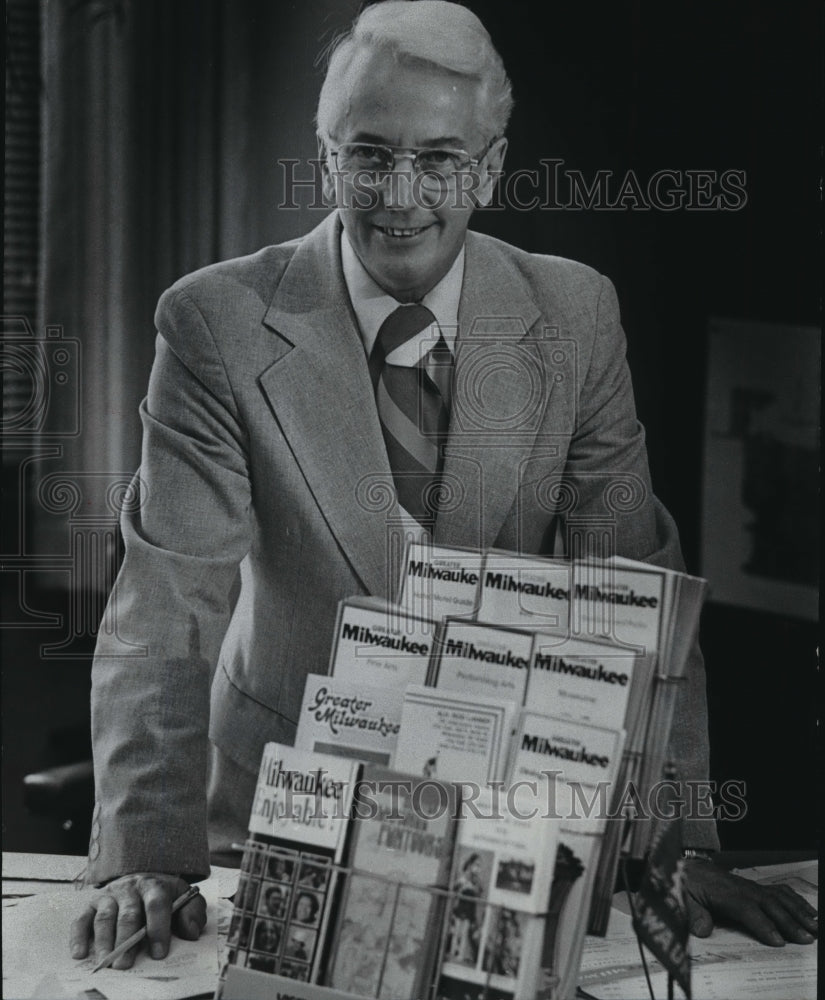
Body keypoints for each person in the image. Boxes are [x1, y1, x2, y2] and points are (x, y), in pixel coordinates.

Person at [69, 0, 816, 972]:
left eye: (440, 159)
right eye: (369, 155)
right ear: (326, 158)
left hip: (507, 832)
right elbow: (166, 604)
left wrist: (673, 844)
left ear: (491, 167)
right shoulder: (216, 322)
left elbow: (633, 589)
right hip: (271, 817)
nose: (401, 195)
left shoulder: (576, 314)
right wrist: (144, 853)